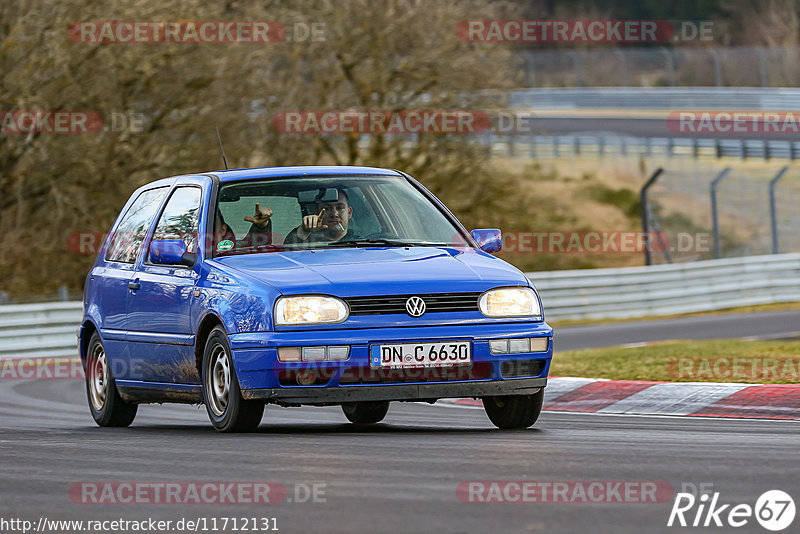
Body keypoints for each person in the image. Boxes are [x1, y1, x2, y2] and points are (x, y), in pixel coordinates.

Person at [284, 189, 359, 244]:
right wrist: (303, 231)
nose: (334, 214)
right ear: (317, 213)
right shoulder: (307, 243)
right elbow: (286, 250)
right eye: (326, 208)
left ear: (349, 213)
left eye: (340, 208)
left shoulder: (361, 242)